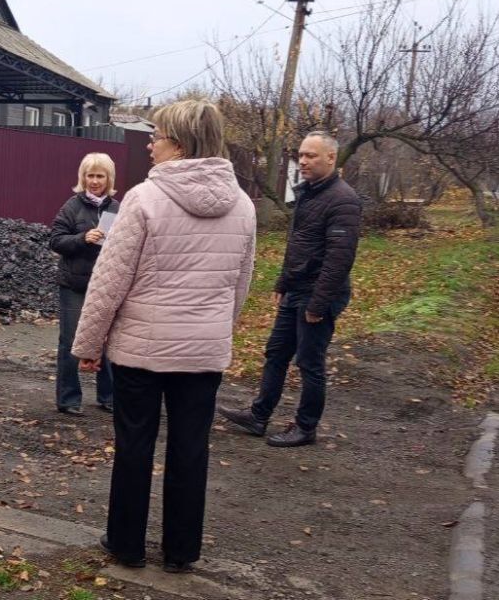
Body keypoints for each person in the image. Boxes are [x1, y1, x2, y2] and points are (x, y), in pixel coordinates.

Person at [71, 99, 256, 573]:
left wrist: (88, 346)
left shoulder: (143, 199)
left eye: (157, 136)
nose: (150, 144)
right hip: (203, 353)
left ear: (179, 144)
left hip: (141, 352)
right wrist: (213, 330)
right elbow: (240, 285)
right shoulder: (243, 205)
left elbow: (110, 282)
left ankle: (127, 546)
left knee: (134, 446)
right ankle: (181, 552)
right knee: (191, 450)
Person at [218, 131, 361, 447]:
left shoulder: (343, 199)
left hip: (319, 294)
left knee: (309, 362)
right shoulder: (309, 193)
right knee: (276, 353)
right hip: (296, 289)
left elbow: (339, 259)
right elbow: (298, 244)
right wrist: (283, 282)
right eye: (302, 155)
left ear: (331, 158)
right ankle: (258, 416)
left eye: (311, 155)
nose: (304, 161)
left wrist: (318, 304)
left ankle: (306, 428)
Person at [49, 153, 120, 415]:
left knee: (109, 342)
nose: (94, 181)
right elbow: (55, 240)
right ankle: (68, 399)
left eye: (100, 176)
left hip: (108, 285)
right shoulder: (71, 207)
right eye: (90, 175)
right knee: (70, 341)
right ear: (83, 177)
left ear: (108, 178)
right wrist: (82, 238)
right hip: (74, 284)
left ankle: (110, 397)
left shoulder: (118, 208)